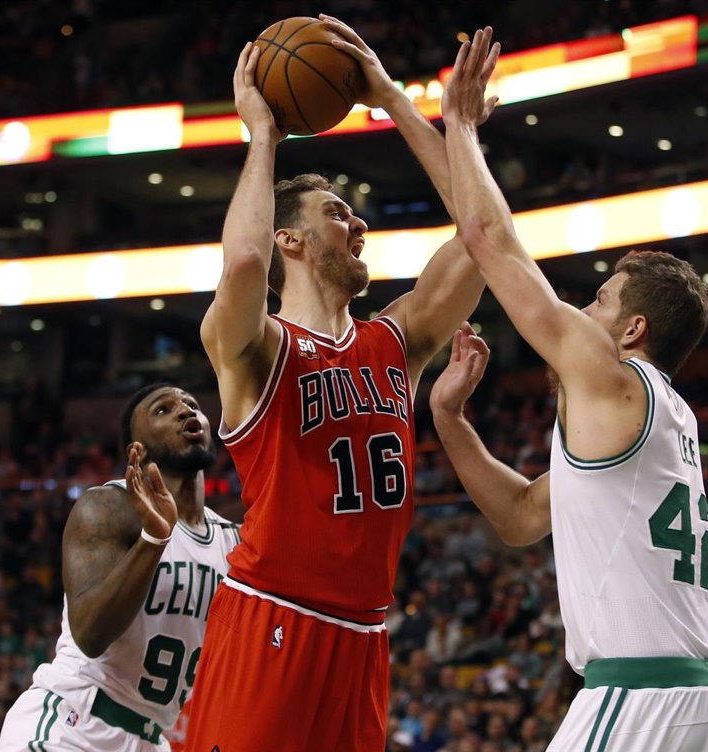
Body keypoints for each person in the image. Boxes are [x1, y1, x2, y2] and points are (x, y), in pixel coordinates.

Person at [425, 38, 708, 751]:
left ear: (633, 329)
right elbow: (519, 517)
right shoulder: (661, 418)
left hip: (644, 696)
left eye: (600, 301)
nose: (580, 311)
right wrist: (448, 417)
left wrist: (461, 126)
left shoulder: (615, 378)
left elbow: (486, 237)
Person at [184, 18, 498, 751]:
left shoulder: (396, 340)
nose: (357, 225)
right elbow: (242, 265)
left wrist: (396, 102)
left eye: (354, 215)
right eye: (336, 213)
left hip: (364, 635)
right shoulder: (258, 348)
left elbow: (486, 236)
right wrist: (262, 136)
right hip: (271, 618)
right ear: (288, 240)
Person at [0, 384, 239, 751]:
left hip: (151, 739)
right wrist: (153, 540)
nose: (185, 411)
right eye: (163, 410)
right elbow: (90, 634)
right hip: (73, 724)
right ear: (136, 450)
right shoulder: (109, 507)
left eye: (192, 405)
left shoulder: (234, 542)